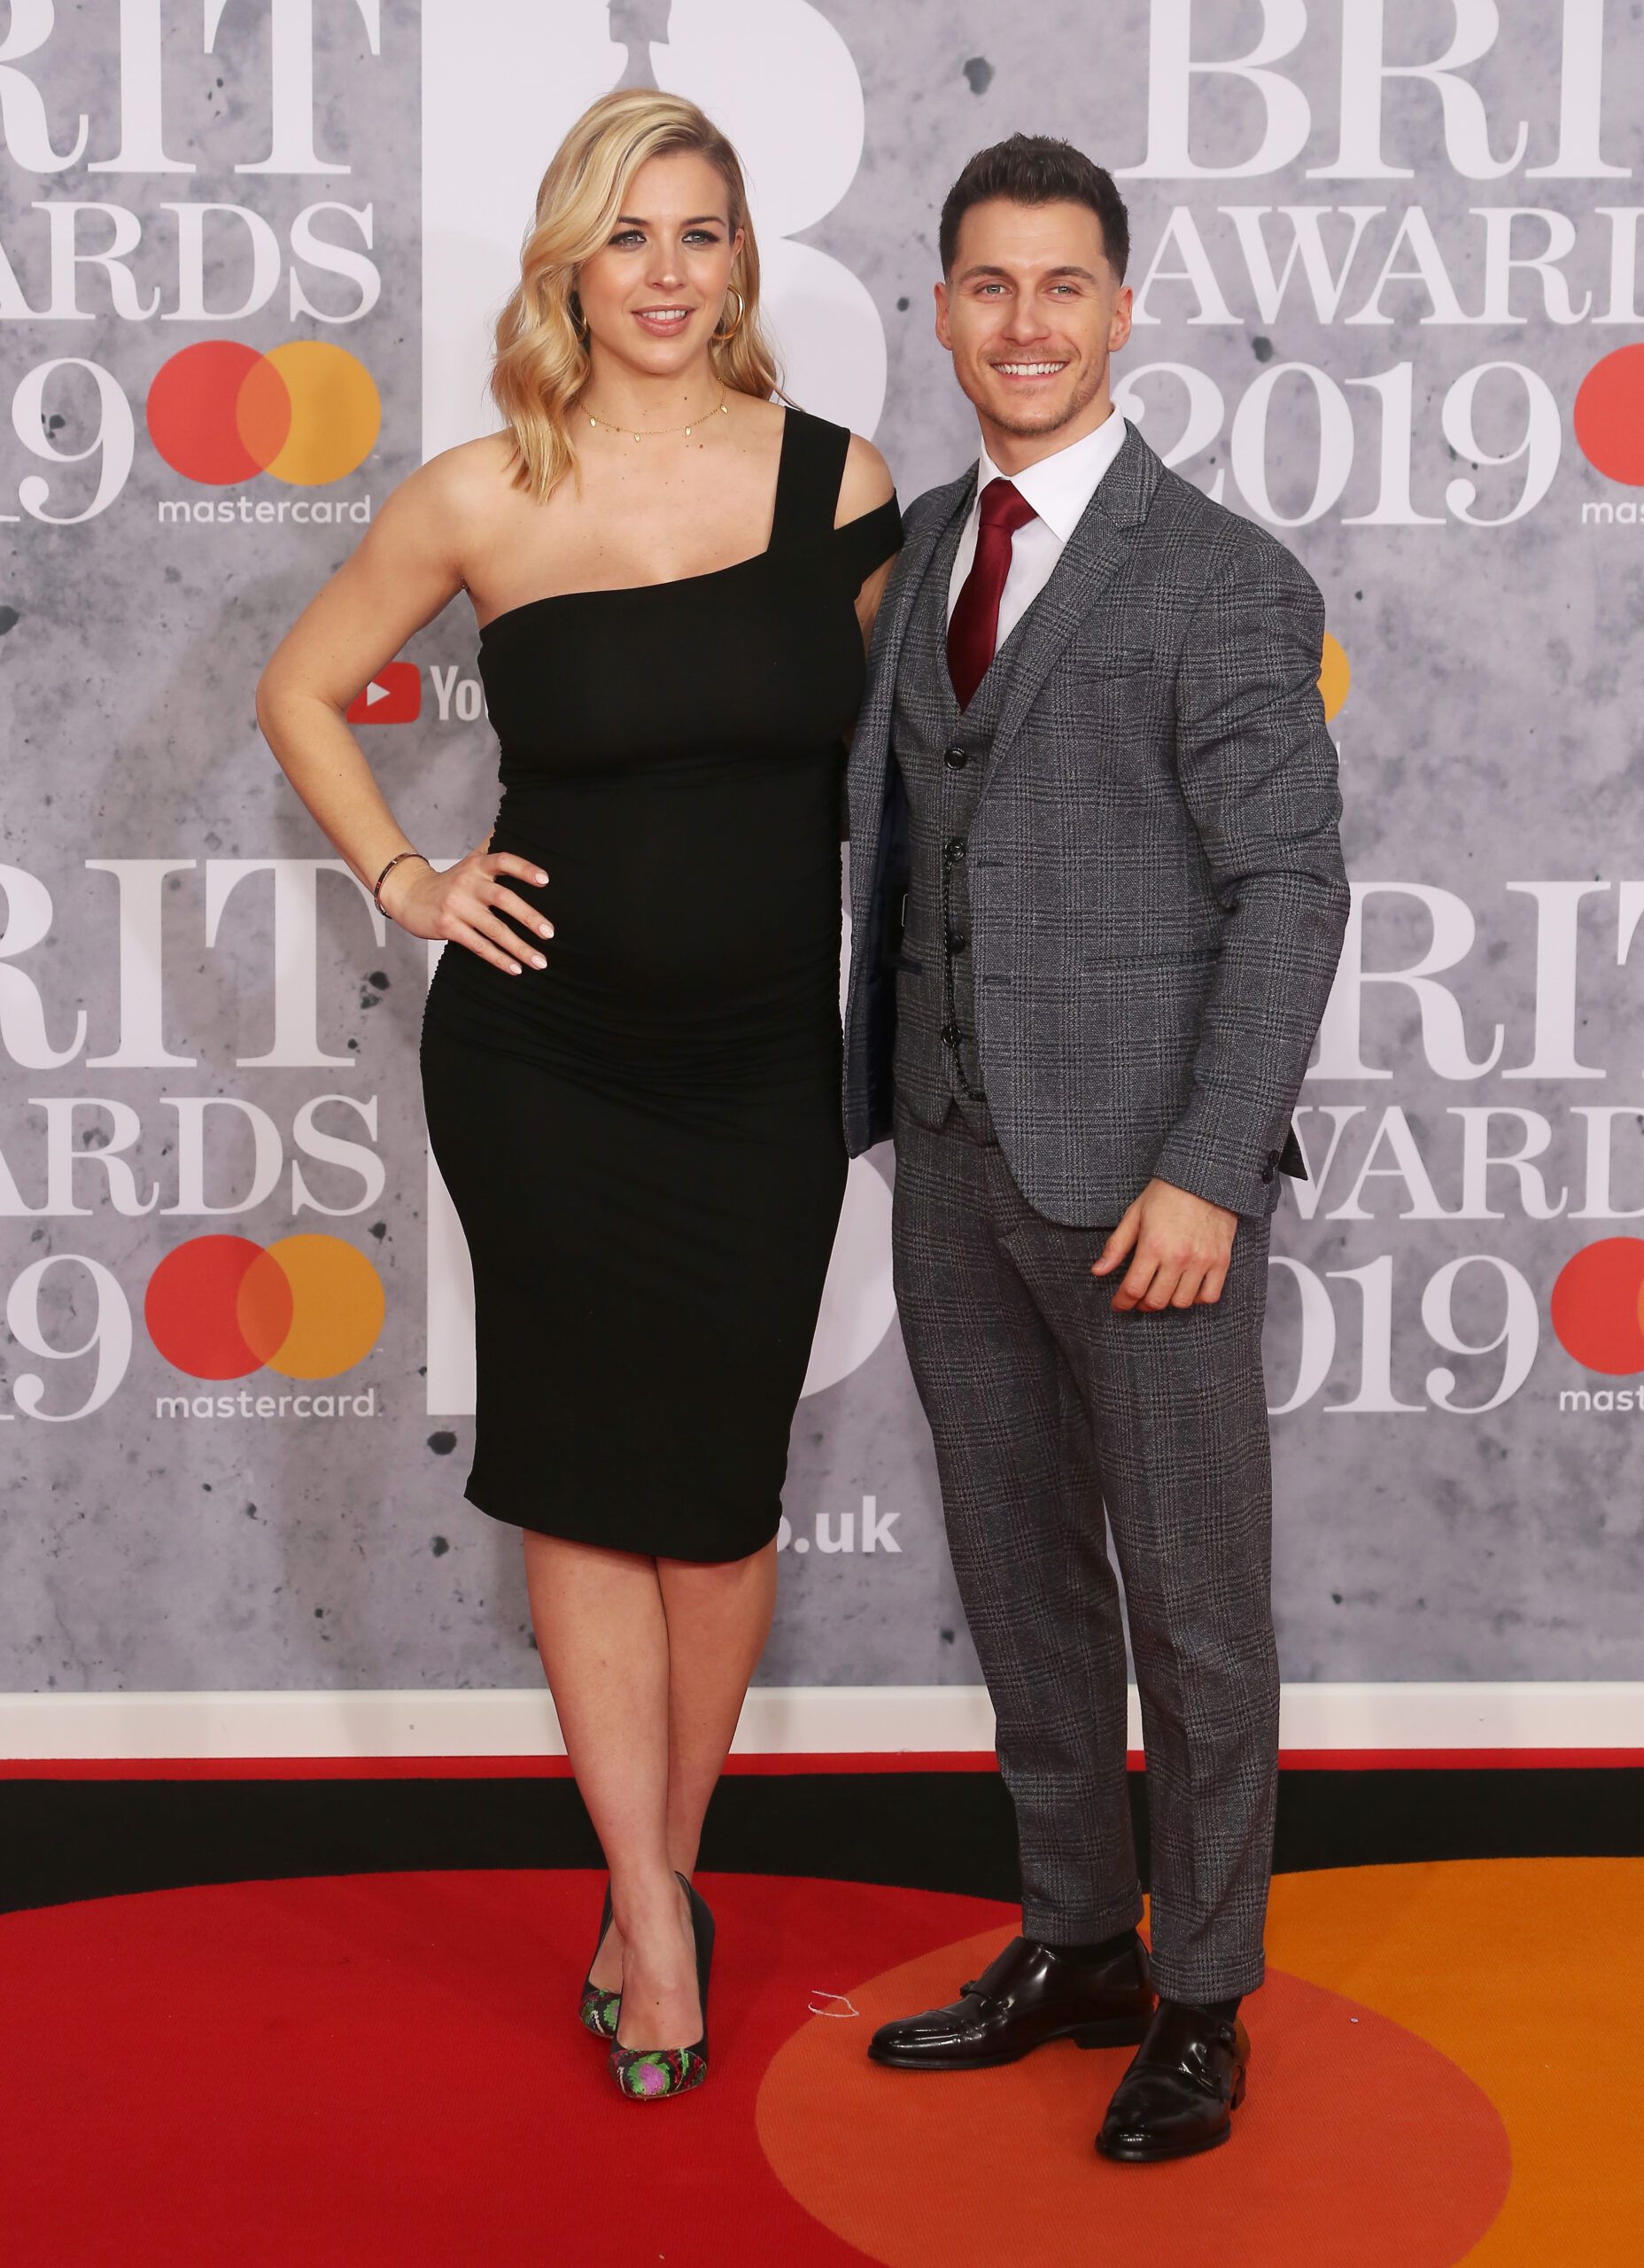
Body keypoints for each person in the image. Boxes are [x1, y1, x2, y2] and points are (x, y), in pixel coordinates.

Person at [256, 89, 900, 2102]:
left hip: (759, 1077)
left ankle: (655, 1885)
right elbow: (299, 686)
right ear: (568, 263)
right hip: (544, 1070)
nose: (666, 272)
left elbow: (906, 778)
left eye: (700, 232)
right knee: (580, 1480)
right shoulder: (481, 495)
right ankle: (652, 1914)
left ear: (742, 263)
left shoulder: (841, 485)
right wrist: (410, 877)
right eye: (629, 235)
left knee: (710, 1509)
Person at [842, 135, 1348, 2163]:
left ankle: (1206, 1995)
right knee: (1022, 1582)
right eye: (989, 285)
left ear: (1123, 309)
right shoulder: (922, 553)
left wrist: (1212, 1165)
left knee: (1195, 1608)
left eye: (1067, 286)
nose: (1027, 323)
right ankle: (1077, 1935)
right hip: (955, 1161)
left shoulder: (1224, 575)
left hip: (1153, 1187)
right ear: (943, 307)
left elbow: (1292, 889)